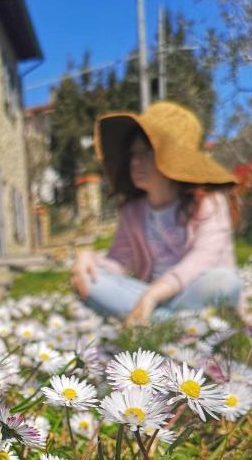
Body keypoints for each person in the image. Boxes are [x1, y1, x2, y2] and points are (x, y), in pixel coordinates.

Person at [70, 101, 241, 326]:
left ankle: (159, 324)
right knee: (88, 281)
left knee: (224, 281)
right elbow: (118, 263)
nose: (134, 161)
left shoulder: (210, 204)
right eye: (133, 153)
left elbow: (200, 262)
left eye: (147, 152)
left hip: (192, 291)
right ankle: (182, 325)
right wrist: (86, 259)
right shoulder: (132, 212)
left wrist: (152, 296)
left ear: (175, 161)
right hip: (149, 295)